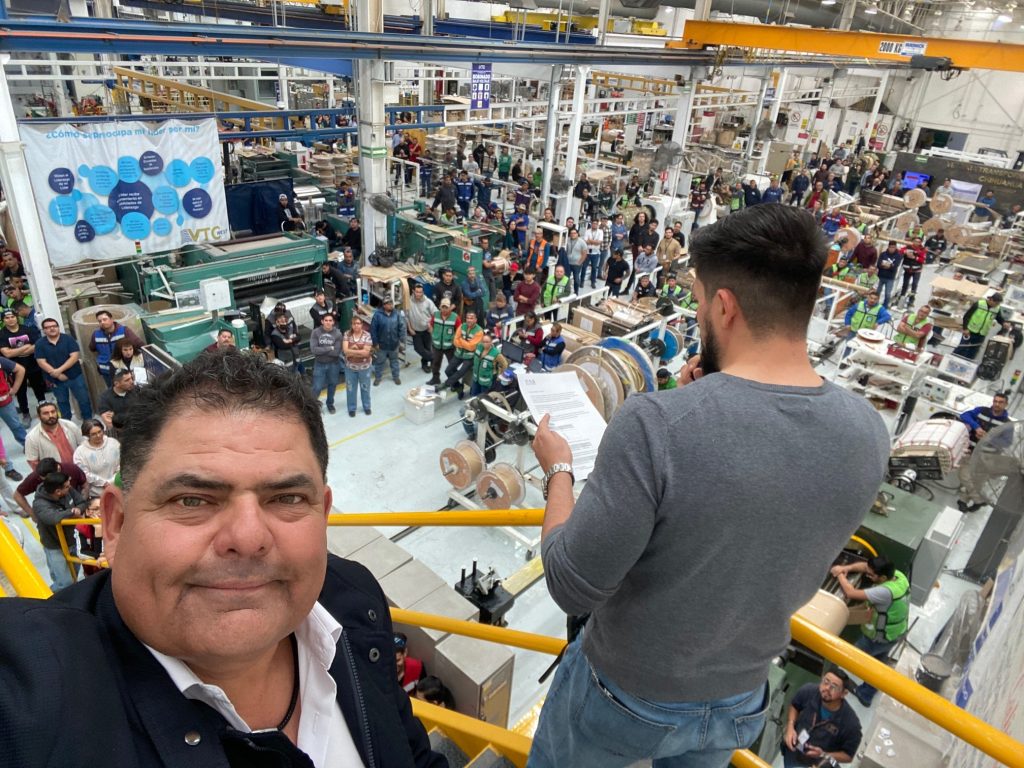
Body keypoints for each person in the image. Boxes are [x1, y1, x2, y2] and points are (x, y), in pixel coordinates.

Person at [526, 204, 888, 768]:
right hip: (738, 700)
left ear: (724, 306)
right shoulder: (868, 432)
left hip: (626, 697)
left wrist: (558, 472)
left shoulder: (656, 427)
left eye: (698, 302)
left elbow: (572, 586)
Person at [0, 352, 448, 767]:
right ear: (115, 524)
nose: (249, 537)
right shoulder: (36, 689)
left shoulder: (355, 601)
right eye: (193, 500)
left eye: (287, 497)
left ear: (323, 513)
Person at [832, 557, 910, 707]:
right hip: (894, 633)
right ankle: (866, 694)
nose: (868, 576)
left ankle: (837, 680)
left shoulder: (884, 592)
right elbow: (864, 566)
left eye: (871, 575)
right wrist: (847, 568)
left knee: (848, 656)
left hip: (879, 637)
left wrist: (840, 574)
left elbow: (851, 593)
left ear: (882, 578)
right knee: (878, 664)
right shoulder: (899, 576)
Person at [781, 670, 862, 766]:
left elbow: (848, 756)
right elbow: (795, 706)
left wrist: (823, 754)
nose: (827, 688)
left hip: (818, 763)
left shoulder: (851, 724)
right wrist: (790, 727)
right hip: (794, 750)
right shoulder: (809, 691)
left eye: (834, 687)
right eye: (826, 682)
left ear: (844, 693)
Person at [957, 393, 1013, 512]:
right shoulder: (981, 411)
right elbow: (964, 415)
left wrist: (989, 438)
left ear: (1006, 404)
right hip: (971, 452)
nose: (997, 404)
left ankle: (963, 501)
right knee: (965, 476)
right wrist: (976, 427)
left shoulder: (1007, 424)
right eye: (995, 401)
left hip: (988, 456)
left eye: (1000, 402)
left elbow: (1007, 442)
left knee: (977, 480)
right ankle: (980, 500)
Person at [32, 470, 86, 590]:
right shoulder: (39, 504)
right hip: (55, 546)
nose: (70, 487)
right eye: (67, 487)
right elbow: (52, 517)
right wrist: (72, 512)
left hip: (73, 541)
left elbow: (82, 502)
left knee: (74, 575)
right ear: (58, 491)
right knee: (64, 582)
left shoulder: (68, 490)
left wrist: (79, 509)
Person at [34, 318, 93, 420]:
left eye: (54, 326)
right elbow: (41, 362)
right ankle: (66, 423)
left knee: (83, 399)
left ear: (58, 327)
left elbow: (74, 356)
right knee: (62, 402)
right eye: (48, 327)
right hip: (55, 379)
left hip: (74, 376)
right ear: (43, 330)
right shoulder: (40, 343)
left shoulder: (68, 339)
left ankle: (88, 421)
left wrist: (58, 371)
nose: (52, 328)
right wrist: (56, 374)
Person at [0, 308, 46, 424]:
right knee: (20, 392)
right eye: (7, 318)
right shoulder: (2, 334)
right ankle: (26, 413)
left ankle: (44, 408)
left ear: (17, 317)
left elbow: (37, 346)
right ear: (3, 320)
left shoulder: (28, 329)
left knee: (39, 388)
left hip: (33, 365)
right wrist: (25, 348)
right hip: (15, 369)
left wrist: (16, 351)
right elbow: (7, 353)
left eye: (12, 317)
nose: (10, 320)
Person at [12, 456, 86, 519]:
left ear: (58, 469)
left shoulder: (72, 469)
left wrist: (80, 507)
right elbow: (17, 495)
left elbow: (85, 485)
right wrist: (34, 516)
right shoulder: (36, 477)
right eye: (43, 480)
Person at [25, 401, 84, 470]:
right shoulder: (32, 437)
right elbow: (33, 462)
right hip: (56, 477)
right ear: (39, 416)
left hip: (77, 469)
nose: (51, 415)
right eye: (46, 413)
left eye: (53, 412)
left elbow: (83, 445)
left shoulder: (70, 426)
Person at [73, 418, 120, 498]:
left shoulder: (113, 443)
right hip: (96, 494)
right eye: (93, 434)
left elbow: (122, 462)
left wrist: (112, 481)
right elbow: (84, 473)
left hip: (118, 488)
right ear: (87, 435)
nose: (98, 436)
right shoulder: (80, 452)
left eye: (100, 432)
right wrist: (104, 483)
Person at [440, 311, 483, 399]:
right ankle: (458, 386)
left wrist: (461, 340)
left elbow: (471, 347)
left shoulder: (479, 331)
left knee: (461, 372)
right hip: (459, 353)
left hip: (470, 356)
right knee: (448, 370)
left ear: (476, 320)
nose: (469, 320)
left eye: (471, 318)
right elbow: (455, 341)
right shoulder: (462, 326)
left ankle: (446, 384)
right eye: (467, 318)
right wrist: (465, 343)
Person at [954, 293, 1008, 360]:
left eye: (998, 304)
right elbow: (967, 316)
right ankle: (952, 360)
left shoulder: (997, 308)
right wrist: (965, 329)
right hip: (970, 331)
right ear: (991, 299)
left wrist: (1003, 323)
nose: (997, 305)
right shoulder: (979, 304)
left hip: (982, 334)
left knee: (973, 352)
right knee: (961, 348)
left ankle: (966, 365)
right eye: (996, 303)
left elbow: (999, 318)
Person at [310, 313, 344, 415]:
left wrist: (323, 350)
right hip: (319, 364)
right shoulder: (315, 333)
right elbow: (314, 350)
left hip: (334, 364)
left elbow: (337, 352)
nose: (328, 322)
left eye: (330, 320)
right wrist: (329, 348)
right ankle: (312, 406)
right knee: (317, 387)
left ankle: (330, 404)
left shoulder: (338, 334)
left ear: (333, 322)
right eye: (326, 320)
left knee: (332, 385)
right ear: (322, 321)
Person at [370, 296, 405, 387]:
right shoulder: (377, 315)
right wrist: (375, 343)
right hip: (381, 345)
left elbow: (402, 328)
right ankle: (378, 378)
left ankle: (396, 377)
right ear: (384, 305)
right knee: (379, 362)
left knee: (394, 361)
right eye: (388, 304)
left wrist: (401, 342)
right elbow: (373, 330)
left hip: (394, 344)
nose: (391, 305)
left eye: (391, 303)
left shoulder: (397, 314)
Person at [343, 315, 373, 417]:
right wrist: (359, 351)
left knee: (365, 388)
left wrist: (353, 350)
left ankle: (367, 406)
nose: (356, 325)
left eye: (359, 323)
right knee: (350, 388)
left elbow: (366, 353)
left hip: (364, 368)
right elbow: (345, 352)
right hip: (350, 369)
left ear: (362, 324)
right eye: (354, 323)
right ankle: (351, 408)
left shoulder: (367, 335)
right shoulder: (347, 334)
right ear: (351, 325)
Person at [427, 300, 460, 387]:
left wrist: (455, 341)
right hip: (436, 345)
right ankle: (435, 379)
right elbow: (430, 325)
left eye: (446, 307)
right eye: (443, 307)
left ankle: (454, 382)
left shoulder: (455, 317)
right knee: (435, 363)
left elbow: (459, 331)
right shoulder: (436, 315)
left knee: (452, 365)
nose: (444, 309)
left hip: (450, 346)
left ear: (450, 307)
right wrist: (433, 335)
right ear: (440, 307)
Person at [97, 369, 139, 435]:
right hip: (120, 433)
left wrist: (117, 417)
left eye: (131, 378)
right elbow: (109, 423)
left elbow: (144, 411)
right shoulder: (105, 399)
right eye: (127, 380)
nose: (131, 382)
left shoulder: (136, 390)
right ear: (117, 384)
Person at [407, 283, 437, 373]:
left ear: (423, 292)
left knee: (427, 348)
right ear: (413, 291)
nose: (418, 294)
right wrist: (410, 328)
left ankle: (424, 365)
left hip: (426, 330)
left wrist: (431, 325)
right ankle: (433, 359)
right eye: (417, 292)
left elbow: (436, 314)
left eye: (420, 292)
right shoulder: (408, 301)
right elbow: (406, 316)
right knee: (418, 348)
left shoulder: (428, 302)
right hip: (415, 330)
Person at [0, 355, 28, 451]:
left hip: (4, 401)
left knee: (15, 425)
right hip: (4, 401)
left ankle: (29, 446)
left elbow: (20, 370)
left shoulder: (1, 360)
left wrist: (14, 389)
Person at [897, 237, 927, 306]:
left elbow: (923, 260)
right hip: (907, 269)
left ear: (920, 243)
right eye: (915, 241)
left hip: (917, 270)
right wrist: (905, 252)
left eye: (918, 242)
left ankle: (911, 299)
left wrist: (915, 257)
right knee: (905, 284)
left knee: (914, 284)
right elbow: (900, 251)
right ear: (913, 241)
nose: (917, 243)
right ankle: (902, 296)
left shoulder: (922, 250)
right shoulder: (908, 247)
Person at [875, 241, 903, 308]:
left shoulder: (898, 256)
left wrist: (888, 266)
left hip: (890, 278)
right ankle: (875, 304)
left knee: (887, 293)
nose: (892, 249)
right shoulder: (883, 254)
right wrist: (887, 266)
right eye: (891, 247)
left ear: (895, 247)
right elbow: (878, 264)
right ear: (888, 247)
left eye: (893, 247)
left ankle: (885, 306)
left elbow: (895, 266)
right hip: (880, 276)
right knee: (877, 292)